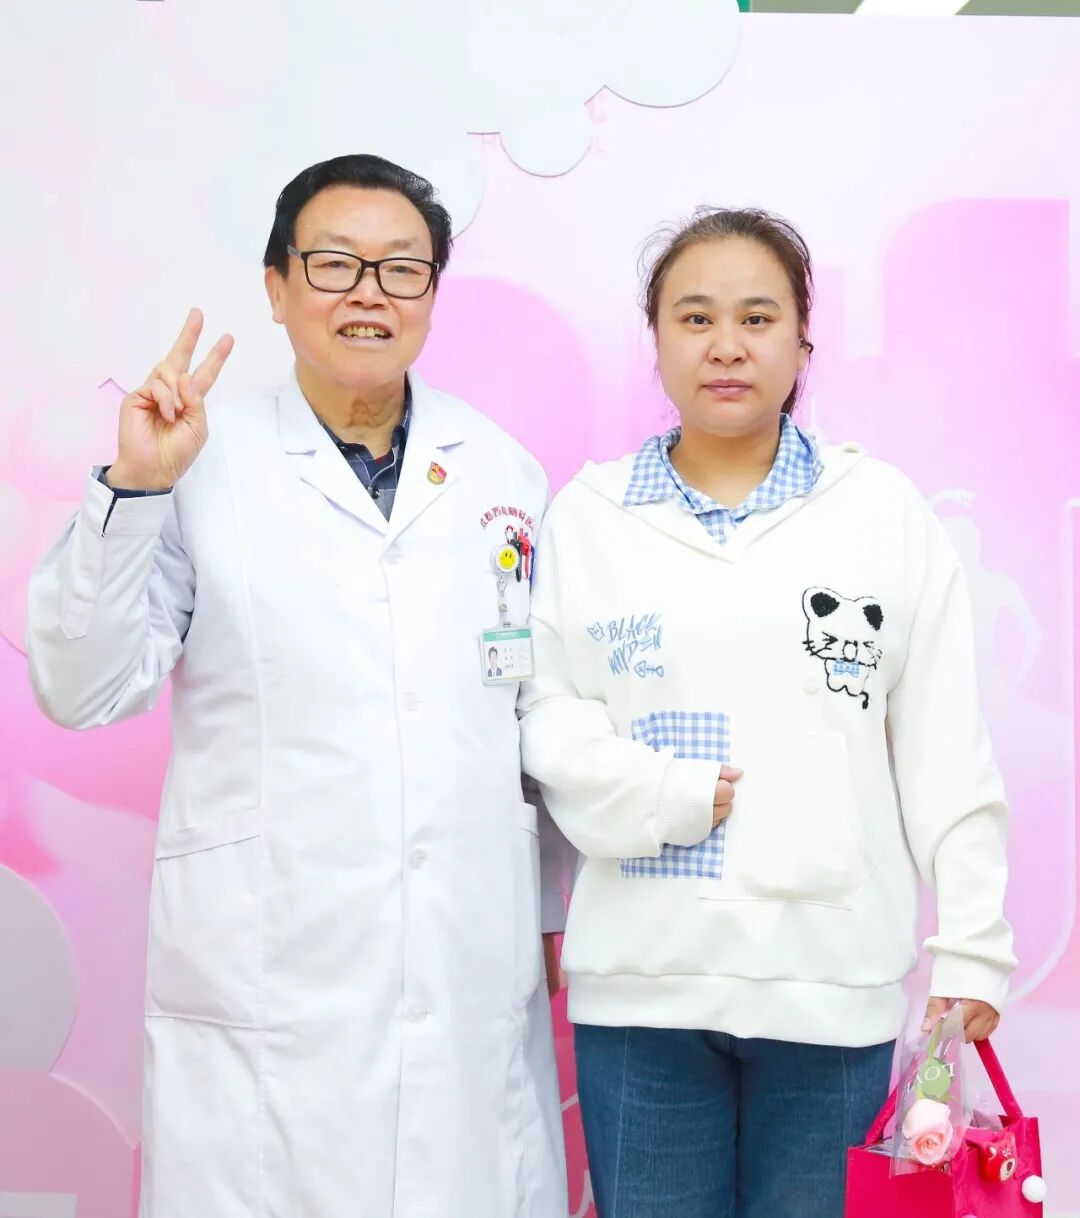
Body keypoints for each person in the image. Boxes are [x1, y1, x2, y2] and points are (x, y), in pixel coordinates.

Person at [27, 154, 572, 1218]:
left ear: (431, 294)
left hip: (465, 949)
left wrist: (549, 903)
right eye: (334, 264)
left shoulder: (503, 471)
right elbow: (82, 688)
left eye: (402, 268)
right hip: (270, 962)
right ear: (277, 288)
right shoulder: (196, 457)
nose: (370, 293)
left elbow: (529, 708)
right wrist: (135, 486)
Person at [516, 208, 1016, 1218]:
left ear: (802, 341)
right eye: (695, 317)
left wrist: (972, 944)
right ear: (656, 339)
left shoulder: (881, 513)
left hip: (831, 987)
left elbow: (943, 746)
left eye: (757, 317)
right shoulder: (590, 518)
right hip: (644, 988)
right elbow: (546, 720)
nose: (727, 345)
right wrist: (666, 794)